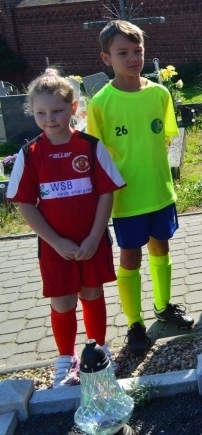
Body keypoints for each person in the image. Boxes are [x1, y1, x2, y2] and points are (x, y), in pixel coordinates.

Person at [6, 69, 125, 387]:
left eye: (57, 110)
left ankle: (98, 351)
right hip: (55, 247)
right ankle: (65, 357)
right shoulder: (29, 154)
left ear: (74, 108)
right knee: (62, 301)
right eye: (41, 112)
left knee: (92, 292)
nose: (49, 118)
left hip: (92, 241)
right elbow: (25, 204)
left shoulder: (90, 146)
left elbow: (105, 193)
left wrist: (95, 236)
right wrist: (56, 241)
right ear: (32, 112)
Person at [87, 20, 194, 357]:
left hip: (159, 191)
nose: (132, 58)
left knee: (161, 248)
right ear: (107, 59)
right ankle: (134, 323)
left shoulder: (159, 94)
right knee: (130, 256)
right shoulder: (101, 103)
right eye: (123, 53)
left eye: (137, 51)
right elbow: (95, 154)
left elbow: (166, 138)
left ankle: (163, 307)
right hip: (126, 198)